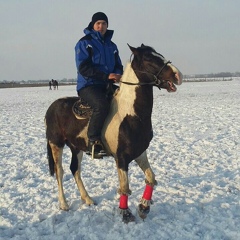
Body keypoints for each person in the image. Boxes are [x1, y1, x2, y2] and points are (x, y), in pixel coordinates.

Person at [75, 12, 123, 158]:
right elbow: (83, 67)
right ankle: (93, 142)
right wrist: (106, 76)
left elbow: (118, 65)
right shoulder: (84, 42)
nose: (101, 26)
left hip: (107, 85)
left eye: (104, 23)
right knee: (101, 105)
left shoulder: (112, 45)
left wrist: (118, 74)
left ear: (107, 25)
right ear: (93, 25)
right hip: (88, 85)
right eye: (98, 23)